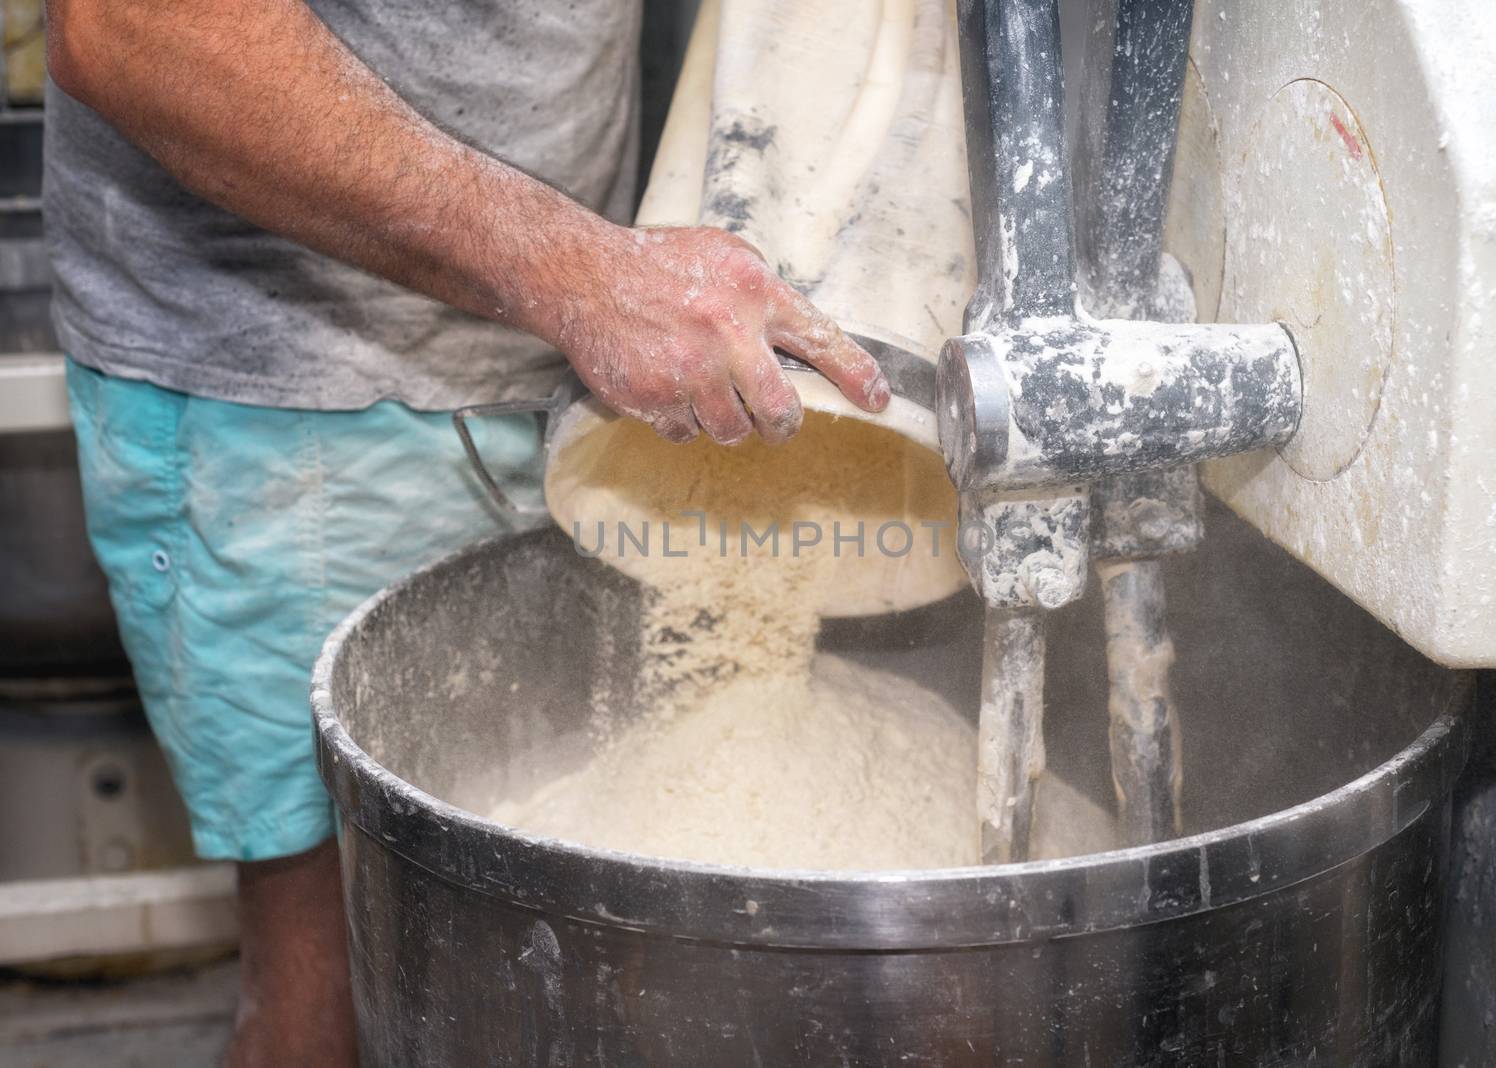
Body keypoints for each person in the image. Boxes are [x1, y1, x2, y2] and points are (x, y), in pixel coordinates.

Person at [42, 1, 888, 1063]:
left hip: (566, 347)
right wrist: (582, 274)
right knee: (346, 967)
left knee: (530, 950)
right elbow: (137, 27)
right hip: (307, 397)